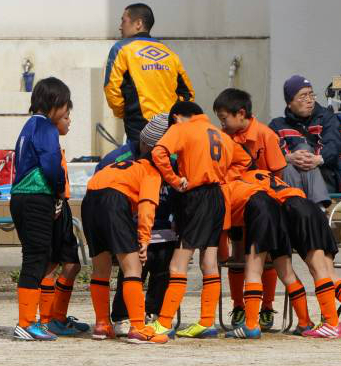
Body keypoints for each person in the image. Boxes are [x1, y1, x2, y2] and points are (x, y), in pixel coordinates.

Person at [149, 101, 249, 339]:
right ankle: (206, 323)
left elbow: (158, 152)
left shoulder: (182, 128)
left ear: (176, 117)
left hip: (196, 197)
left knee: (178, 263)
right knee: (210, 261)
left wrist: (175, 180)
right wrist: (223, 177)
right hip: (218, 197)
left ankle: (163, 323)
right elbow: (244, 160)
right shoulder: (220, 133)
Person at [247, 169, 341, 338]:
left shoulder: (243, 179)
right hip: (312, 207)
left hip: (294, 210)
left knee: (318, 271)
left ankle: (331, 323)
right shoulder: (267, 174)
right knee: (329, 273)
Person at [9, 78, 89, 341]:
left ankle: (37, 321)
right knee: (35, 258)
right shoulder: (45, 127)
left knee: (40, 257)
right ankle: (26, 323)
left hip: (22, 197)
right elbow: (51, 163)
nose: (66, 112)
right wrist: (57, 192)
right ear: (54, 103)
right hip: (35, 197)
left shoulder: (29, 125)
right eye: (64, 106)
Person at [81, 119, 171, 344]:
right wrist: (144, 240)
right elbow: (147, 207)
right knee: (133, 267)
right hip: (114, 200)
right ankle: (138, 328)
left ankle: (102, 325)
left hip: (90, 199)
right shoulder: (151, 171)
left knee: (100, 268)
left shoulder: (120, 162)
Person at [214, 87, 286, 326]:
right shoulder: (223, 137)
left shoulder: (266, 135)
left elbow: (277, 175)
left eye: (224, 118)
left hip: (263, 206)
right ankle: (238, 306)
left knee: (266, 256)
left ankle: (267, 307)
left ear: (241, 113)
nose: (222, 124)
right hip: (236, 206)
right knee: (238, 255)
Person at [105, 113, 176, 336]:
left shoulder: (173, 163)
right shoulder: (119, 158)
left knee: (162, 274)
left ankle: (154, 313)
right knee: (131, 273)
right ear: (146, 144)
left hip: (164, 232)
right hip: (132, 231)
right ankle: (121, 315)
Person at [103, 2, 195, 148]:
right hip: (170, 128)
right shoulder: (169, 53)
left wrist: (126, 113)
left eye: (123, 21)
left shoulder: (121, 49)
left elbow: (112, 89)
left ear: (138, 23)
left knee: (133, 162)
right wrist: (173, 116)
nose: (120, 26)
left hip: (139, 128)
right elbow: (188, 94)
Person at [269, 75, 341, 206]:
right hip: (290, 178)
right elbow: (269, 153)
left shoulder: (326, 118)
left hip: (325, 179)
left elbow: (333, 145)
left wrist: (318, 159)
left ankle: (297, 208)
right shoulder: (277, 125)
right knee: (287, 167)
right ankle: (316, 208)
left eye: (311, 95)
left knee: (303, 149)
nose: (309, 100)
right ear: (289, 103)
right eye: (303, 97)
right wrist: (288, 158)